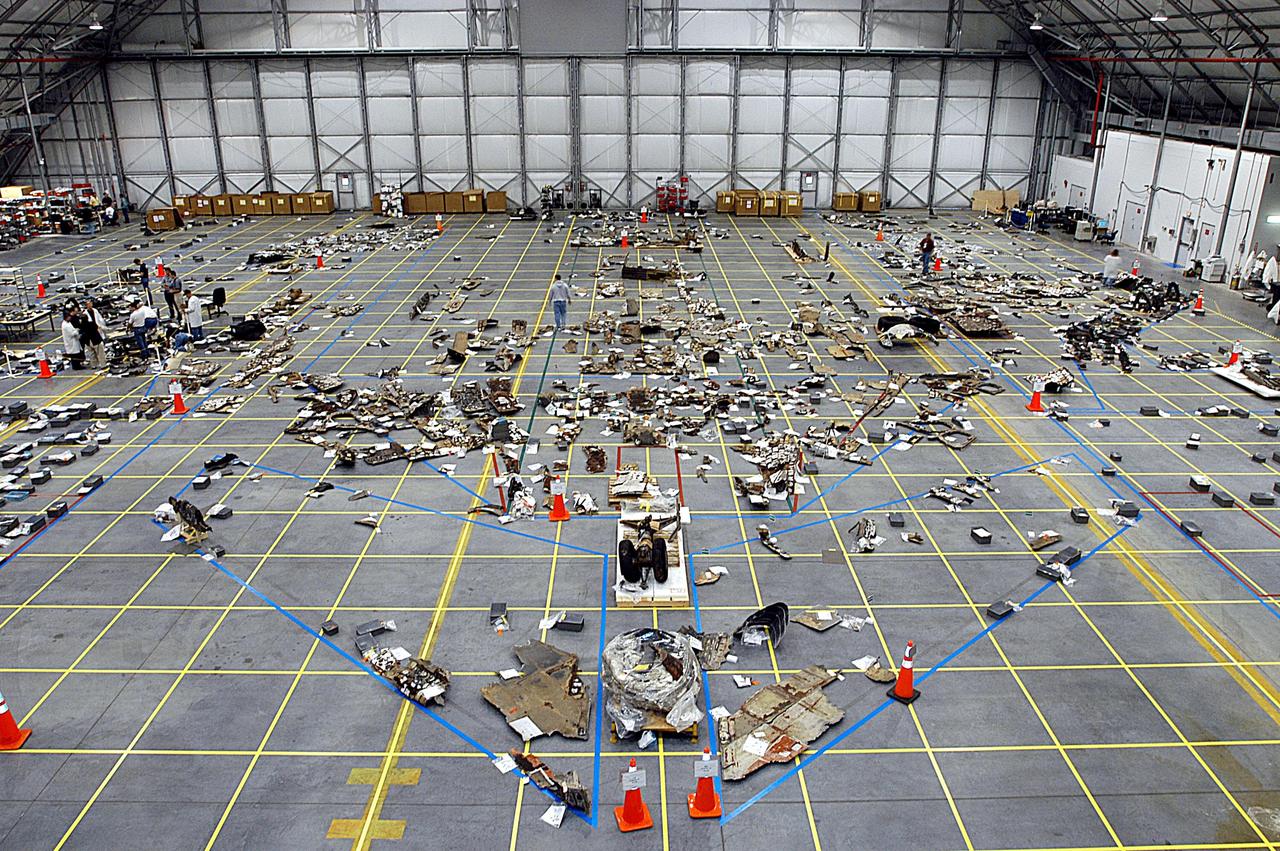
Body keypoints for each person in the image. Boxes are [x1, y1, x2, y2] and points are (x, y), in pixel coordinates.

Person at [74, 303, 105, 368]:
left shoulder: (81, 326)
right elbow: (97, 329)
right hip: (95, 340)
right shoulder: (91, 324)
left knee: (91, 353)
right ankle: (103, 365)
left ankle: (94, 365)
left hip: (88, 341)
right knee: (100, 353)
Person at [83, 298, 110, 366]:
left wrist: (103, 326)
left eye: (91, 304)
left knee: (92, 352)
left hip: (90, 338)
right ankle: (101, 364)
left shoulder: (95, 311)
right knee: (98, 352)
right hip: (93, 338)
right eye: (88, 304)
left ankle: (94, 364)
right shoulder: (86, 316)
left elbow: (99, 319)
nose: (90, 305)